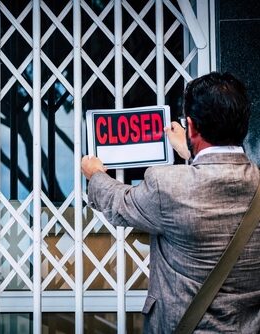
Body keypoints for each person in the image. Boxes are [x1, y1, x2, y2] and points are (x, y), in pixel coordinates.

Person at [81, 72, 260, 333]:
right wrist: (191, 150)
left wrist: (95, 174)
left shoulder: (166, 186)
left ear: (192, 126)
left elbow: (120, 203)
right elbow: (221, 174)